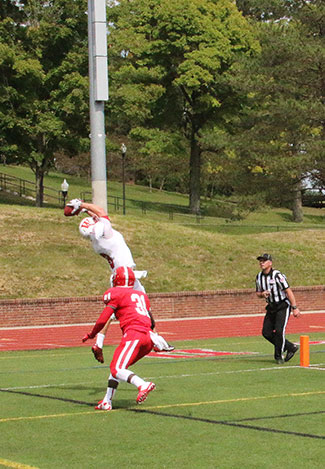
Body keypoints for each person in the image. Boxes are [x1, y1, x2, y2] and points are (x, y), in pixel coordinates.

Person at [66, 198, 174, 361]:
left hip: (119, 274)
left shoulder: (96, 242)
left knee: (116, 310)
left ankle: (100, 344)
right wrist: (81, 204)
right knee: (141, 304)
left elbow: (97, 218)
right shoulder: (106, 233)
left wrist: (82, 210)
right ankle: (156, 339)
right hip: (125, 275)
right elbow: (101, 212)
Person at [82, 266, 156, 410]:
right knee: (118, 367)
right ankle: (107, 401)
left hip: (134, 335)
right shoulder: (141, 296)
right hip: (148, 338)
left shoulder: (116, 294)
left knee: (117, 368)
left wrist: (91, 334)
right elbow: (152, 321)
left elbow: (103, 319)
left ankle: (142, 384)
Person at [255, 253, 301, 364]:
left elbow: (288, 291)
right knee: (266, 332)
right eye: (260, 261)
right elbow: (257, 293)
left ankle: (278, 356)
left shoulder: (277, 275)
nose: (261, 263)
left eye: (264, 261)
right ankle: (290, 347)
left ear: (270, 263)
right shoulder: (259, 277)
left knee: (279, 331)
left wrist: (294, 307)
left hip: (282, 306)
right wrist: (262, 294)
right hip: (271, 307)